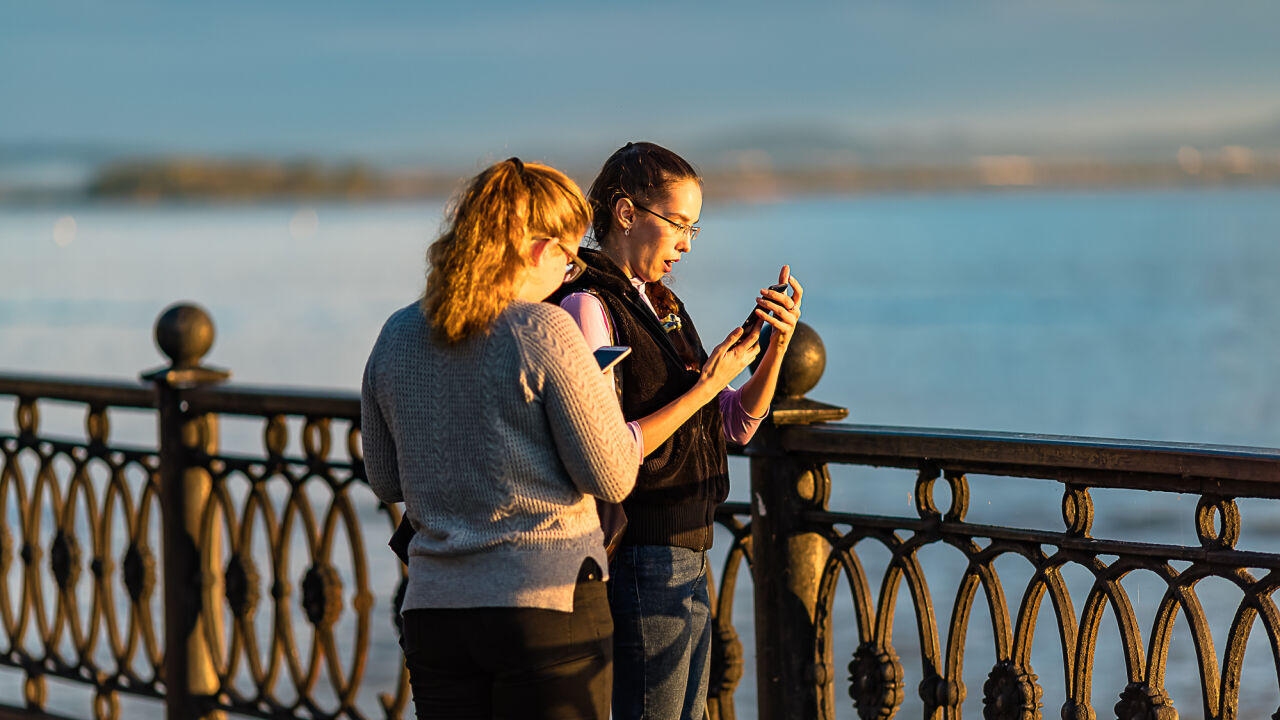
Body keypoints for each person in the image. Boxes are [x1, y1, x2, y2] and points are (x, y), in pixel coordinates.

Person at [362, 157, 639, 720]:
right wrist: (598, 385)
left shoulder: (397, 333)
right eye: (568, 256)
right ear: (538, 250)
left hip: (436, 610)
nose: (570, 273)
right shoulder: (544, 329)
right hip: (546, 604)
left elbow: (386, 479)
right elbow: (612, 475)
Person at [550, 142, 803, 720]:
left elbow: (733, 425)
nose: (687, 243)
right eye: (678, 224)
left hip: (688, 546)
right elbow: (601, 446)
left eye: (695, 228)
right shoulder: (588, 306)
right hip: (638, 550)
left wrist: (775, 347)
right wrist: (707, 385)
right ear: (626, 213)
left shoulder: (661, 304)